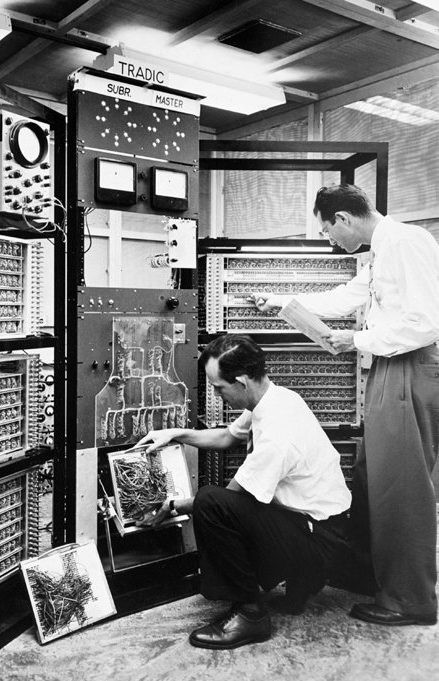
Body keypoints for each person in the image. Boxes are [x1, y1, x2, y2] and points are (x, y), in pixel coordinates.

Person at [252, 183, 439, 627]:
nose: (330, 240)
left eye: (327, 230)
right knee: (373, 477)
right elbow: (345, 297)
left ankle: (411, 599)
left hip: (408, 366)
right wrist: (282, 302)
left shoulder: (406, 242)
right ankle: (373, 577)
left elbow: (426, 322)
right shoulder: (381, 251)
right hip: (389, 366)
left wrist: (356, 339)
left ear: (343, 218)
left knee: (402, 488)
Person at [135, 334, 353, 650]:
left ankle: (250, 613)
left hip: (319, 543)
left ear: (241, 381)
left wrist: (171, 506)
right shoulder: (274, 398)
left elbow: (229, 500)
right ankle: (298, 587)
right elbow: (227, 437)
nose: (216, 394)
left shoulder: (278, 433)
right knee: (221, 504)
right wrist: (175, 434)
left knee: (211, 502)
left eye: (218, 388)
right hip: (319, 527)